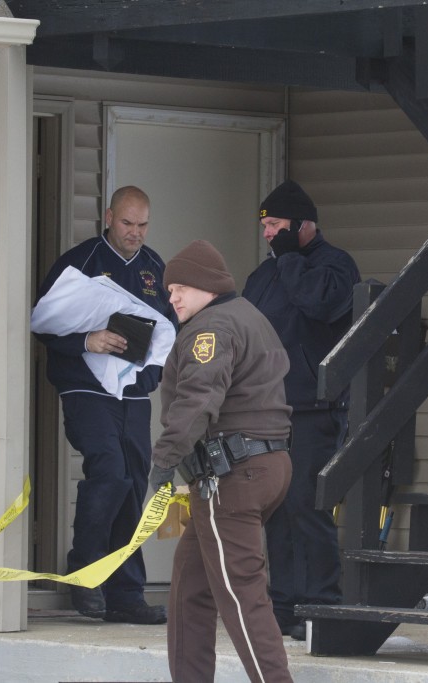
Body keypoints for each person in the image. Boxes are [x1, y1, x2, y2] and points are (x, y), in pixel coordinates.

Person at [147, 240, 294, 683]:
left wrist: (160, 467)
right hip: (266, 465)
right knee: (190, 587)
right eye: (169, 288)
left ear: (208, 286)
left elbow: (196, 403)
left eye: (181, 288)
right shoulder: (250, 316)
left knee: (241, 594)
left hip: (230, 476)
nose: (172, 297)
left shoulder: (211, 329)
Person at [33, 185, 175, 625]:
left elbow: (168, 332)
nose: (135, 233)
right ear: (109, 217)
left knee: (133, 485)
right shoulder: (81, 260)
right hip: (84, 385)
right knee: (109, 471)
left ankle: (125, 596)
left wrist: (149, 374)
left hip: (132, 389)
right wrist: (87, 340)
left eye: (143, 225)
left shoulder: (155, 267)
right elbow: (42, 324)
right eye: (127, 223)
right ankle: (84, 568)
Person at [243, 179, 361, 640]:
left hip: (315, 407)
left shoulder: (335, 265)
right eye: (265, 225)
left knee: (308, 506)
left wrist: (291, 257)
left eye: (276, 224)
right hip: (268, 408)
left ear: (304, 225)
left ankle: (322, 603)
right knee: (275, 507)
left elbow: (321, 304)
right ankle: (284, 605)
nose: (269, 233)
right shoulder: (264, 273)